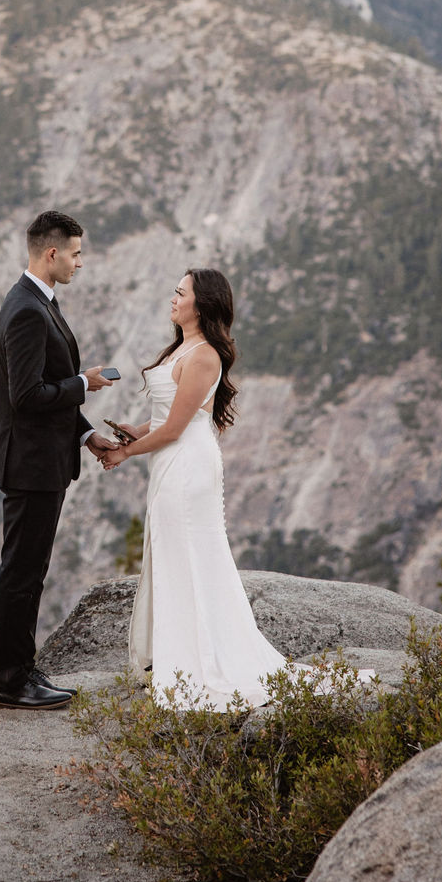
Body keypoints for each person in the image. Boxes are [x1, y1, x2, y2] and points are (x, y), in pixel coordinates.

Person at [102, 267, 303, 709]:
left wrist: (124, 453)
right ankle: (176, 654)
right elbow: (166, 419)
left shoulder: (205, 355)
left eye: (180, 293)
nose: (172, 299)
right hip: (171, 460)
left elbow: (176, 428)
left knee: (189, 555)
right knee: (173, 554)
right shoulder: (183, 348)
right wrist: (131, 432)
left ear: (201, 304)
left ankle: (197, 661)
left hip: (187, 465)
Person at [0, 210, 116, 710]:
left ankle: (20, 667)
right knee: (21, 572)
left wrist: (85, 435)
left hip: (42, 459)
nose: (80, 263)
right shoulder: (25, 310)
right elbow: (27, 396)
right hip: (30, 466)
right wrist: (85, 384)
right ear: (52, 253)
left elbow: (44, 392)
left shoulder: (37, 302)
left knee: (29, 569)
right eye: (76, 253)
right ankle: (11, 682)